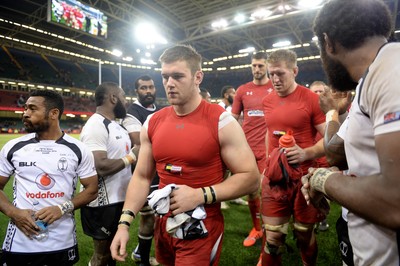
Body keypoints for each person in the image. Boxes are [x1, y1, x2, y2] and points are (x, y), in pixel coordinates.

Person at [110, 44, 260, 265]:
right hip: (164, 224)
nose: (169, 84)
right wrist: (124, 224)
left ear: (198, 77)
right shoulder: (153, 122)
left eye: (178, 76)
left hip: (202, 226)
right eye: (165, 77)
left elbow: (251, 177)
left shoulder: (221, 121)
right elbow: (141, 176)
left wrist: (200, 195)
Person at [301, 0, 400, 265]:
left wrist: (324, 180)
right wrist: (330, 177)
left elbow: (396, 201)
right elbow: (342, 155)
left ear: (328, 42)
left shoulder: (392, 71)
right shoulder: (374, 77)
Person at [0, 89, 98, 265]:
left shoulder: (78, 149)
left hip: (62, 242)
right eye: (25, 109)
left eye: (32, 109)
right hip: (20, 243)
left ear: (54, 113)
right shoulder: (13, 147)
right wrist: (14, 213)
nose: (25, 114)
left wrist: (62, 208)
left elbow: (92, 190)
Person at [261, 49, 326, 266]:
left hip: (304, 178)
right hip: (275, 179)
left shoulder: (311, 99)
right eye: (272, 74)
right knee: (272, 237)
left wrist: (306, 153)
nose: (275, 79)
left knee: (303, 235)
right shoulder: (268, 100)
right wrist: (267, 164)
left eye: (281, 74)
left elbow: (333, 139)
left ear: (295, 71)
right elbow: (268, 133)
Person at [80, 82, 137, 266]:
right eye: (122, 96)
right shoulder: (95, 125)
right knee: (102, 256)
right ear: (113, 98)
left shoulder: (115, 125)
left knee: (111, 254)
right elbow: (100, 166)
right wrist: (131, 157)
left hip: (117, 199)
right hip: (102, 204)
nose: (125, 101)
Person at [231, 51, 274, 249]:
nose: (257, 69)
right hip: (247, 150)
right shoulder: (242, 90)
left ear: (267, 66)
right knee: (251, 192)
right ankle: (256, 228)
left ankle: (269, 235)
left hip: (268, 150)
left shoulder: (274, 87)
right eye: (254, 66)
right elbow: (233, 119)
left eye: (260, 66)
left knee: (267, 193)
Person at [122, 75, 160, 266]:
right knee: (148, 216)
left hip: (161, 170)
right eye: (143, 88)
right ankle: (141, 256)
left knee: (160, 216)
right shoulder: (132, 112)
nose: (148, 91)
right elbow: (139, 142)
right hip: (143, 172)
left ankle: (144, 252)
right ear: (136, 91)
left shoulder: (162, 110)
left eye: (151, 87)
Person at [218, 85, 247, 208]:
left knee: (235, 170)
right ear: (226, 95)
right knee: (223, 171)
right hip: (223, 142)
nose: (235, 96)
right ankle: (221, 199)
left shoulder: (231, 108)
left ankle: (235, 196)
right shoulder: (219, 107)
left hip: (234, 141)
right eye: (233, 93)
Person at [309, 81, 330, 232]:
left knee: (324, 191)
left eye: (320, 91)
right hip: (310, 157)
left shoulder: (332, 110)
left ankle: (323, 219)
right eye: (314, 91)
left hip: (325, 158)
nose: (317, 94)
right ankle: (310, 218)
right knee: (308, 191)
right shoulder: (305, 109)